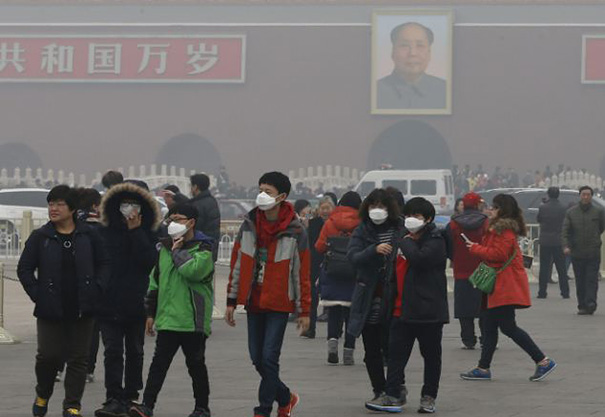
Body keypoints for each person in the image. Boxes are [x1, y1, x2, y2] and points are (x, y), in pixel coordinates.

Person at [17, 185, 111, 417]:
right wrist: (37, 294)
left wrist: (97, 288)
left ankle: (72, 405)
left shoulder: (89, 235)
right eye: (51, 204)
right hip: (50, 308)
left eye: (59, 204)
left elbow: (105, 263)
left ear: (72, 209)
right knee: (48, 356)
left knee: (79, 359)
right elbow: (25, 269)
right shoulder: (41, 237)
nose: (54, 209)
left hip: (82, 306)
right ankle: (43, 393)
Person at [224, 171, 311, 417]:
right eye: (260, 190)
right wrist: (231, 300)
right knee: (257, 358)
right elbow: (237, 264)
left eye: (268, 191)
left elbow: (302, 274)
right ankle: (285, 397)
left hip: (279, 302)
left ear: (281, 197)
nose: (262, 195)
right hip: (254, 300)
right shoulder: (249, 225)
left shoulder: (296, 231)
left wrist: (304, 310)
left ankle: (263, 410)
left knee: (269, 358)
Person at [128, 203, 215, 417]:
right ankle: (147, 405)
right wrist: (150, 313)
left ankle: (201, 408)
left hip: (192, 320)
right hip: (168, 318)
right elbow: (155, 281)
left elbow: (193, 271)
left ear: (191, 223)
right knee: (158, 364)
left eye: (178, 219)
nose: (173, 224)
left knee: (196, 365)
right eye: (171, 219)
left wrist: (177, 251)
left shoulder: (203, 249)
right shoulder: (164, 249)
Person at [460, 194, 557, 382]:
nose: (490, 210)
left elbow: (499, 255)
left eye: (494, 207)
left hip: (503, 286)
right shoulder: (498, 228)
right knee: (489, 327)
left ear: (502, 210)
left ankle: (542, 360)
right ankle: (483, 367)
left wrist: (475, 248)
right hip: (498, 285)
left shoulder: (503, 230)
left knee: (507, 327)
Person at [366, 197, 449, 414]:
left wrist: (405, 242)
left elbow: (420, 259)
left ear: (428, 219)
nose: (411, 219)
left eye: (417, 216)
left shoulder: (435, 240)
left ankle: (429, 396)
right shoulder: (402, 239)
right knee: (395, 356)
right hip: (400, 309)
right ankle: (393, 394)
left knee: (431, 357)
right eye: (409, 215)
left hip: (428, 311)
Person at [95, 183, 161, 417]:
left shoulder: (151, 233)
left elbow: (150, 262)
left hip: (137, 301)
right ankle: (113, 396)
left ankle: (131, 395)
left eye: (133, 204)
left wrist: (136, 232)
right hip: (108, 302)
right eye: (124, 204)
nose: (129, 209)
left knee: (135, 351)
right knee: (112, 351)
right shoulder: (104, 232)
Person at [347, 189, 402, 404]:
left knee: (393, 347)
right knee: (371, 349)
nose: (377, 210)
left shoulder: (399, 228)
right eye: (373, 205)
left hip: (394, 297)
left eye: (381, 206)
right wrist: (373, 250)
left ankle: (396, 387)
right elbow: (353, 256)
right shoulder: (362, 230)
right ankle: (379, 389)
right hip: (369, 297)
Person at [315, 191, 362, 365]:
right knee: (351, 314)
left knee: (334, 311)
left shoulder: (330, 222)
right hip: (354, 273)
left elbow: (319, 247)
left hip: (333, 272)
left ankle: (332, 347)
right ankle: (349, 351)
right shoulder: (362, 223)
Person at [448, 192, 489, 349]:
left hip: (461, 270)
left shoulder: (453, 224)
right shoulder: (486, 223)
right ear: (478, 205)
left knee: (464, 307)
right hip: (483, 268)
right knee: (484, 306)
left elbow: (448, 246)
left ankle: (468, 339)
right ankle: (486, 338)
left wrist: (456, 257)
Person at [377, 22, 446, 110]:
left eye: (420, 45)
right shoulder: (374, 91)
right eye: (404, 45)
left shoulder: (446, 91)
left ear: (429, 53)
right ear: (393, 52)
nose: (413, 53)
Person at [562, 186, 605, 314]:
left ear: (591, 196)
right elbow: (565, 231)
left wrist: (594, 238)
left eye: (588, 195)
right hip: (577, 252)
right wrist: (566, 245)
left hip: (593, 251)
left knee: (591, 280)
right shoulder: (571, 212)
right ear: (580, 196)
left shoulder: (598, 211)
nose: (586, 197)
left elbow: (601, 227)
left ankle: (591, 303)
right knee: (580, 280)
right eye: (583, 194)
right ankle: (582, 305)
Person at [77, 188, 104, 384]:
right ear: (95, 205)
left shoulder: (70, 224)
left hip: (71, 283)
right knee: (92, 329)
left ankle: (60, 367)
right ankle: (88, 369)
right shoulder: (101, 227)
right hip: (94, 284)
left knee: (67, 327)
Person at [305, 196, 336, 334]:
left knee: (334, 296)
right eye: (322, 208)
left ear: (333, 209)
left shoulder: (337, 223)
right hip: (315, 261)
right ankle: (311, 327)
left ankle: (335, 329)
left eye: (327, 208)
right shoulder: (313, 223)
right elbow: (309, 242)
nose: (325, 211)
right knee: (313, 295)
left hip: (333, 261)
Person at [537, 187, 570, 299]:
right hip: (558, 240)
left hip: (545, 240)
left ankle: (542, 292)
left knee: (544, 267)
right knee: (561, 268)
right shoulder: (563, 207)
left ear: (548, 194)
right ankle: (565, 292)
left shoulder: (543, 207)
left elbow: (539, 219)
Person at [189, 173, 221, 260]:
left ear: (195, 187)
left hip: (199, 251)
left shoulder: (198, 205)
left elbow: (195, 229)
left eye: (191, 186)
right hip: (210, 248)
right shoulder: (211, 201)